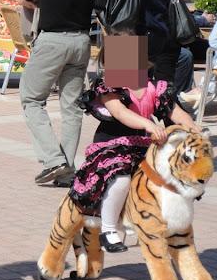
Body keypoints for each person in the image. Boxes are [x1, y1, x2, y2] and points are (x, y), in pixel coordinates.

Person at [71, 35, 201, 253]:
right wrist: (149, 125)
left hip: (142, 146)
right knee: (121, 179)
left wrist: (191, 126)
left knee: (163, 179)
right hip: (113, 145)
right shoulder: (110, 88)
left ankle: (149, 221)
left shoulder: (153, 87)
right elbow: (122, 114)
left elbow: (175, 112)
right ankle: (109, 229)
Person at [17, 0, 95, 186]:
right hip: (85, 41)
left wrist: (44, 3)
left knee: (31, 98)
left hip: (53, 41)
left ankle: (54, 160)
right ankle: (68, 170)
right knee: (71, 107)